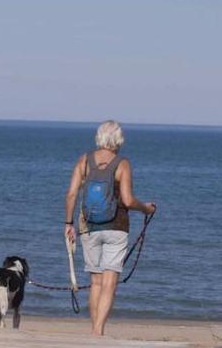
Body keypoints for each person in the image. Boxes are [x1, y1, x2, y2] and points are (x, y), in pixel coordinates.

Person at [64, 120, 156, 336]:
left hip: (88, 226)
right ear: (118, 140)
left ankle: (95, 331)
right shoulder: (122, 163)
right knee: (109, 281)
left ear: (99, 138)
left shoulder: (84, 161)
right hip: (116, 226)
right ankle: (98, 331)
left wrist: (68, 224)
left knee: (95, 282)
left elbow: (71, 195)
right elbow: (127, 199)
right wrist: (146, 209)